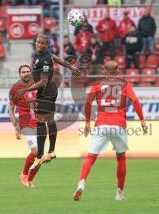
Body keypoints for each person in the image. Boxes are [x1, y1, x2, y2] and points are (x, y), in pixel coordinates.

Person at [73, 61, 147, 201]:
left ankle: (81, 183)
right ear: (118, 70)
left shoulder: (96, 84)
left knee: (90, 157)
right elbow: (135, 100)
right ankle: (119, 193)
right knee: (121, 158)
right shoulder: (125, 84)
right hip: (119, 125)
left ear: (103, 70)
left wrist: (88, 123)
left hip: (101, 124)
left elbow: (88, 103)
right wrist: (142, 121)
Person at [16, 34, 80, 169]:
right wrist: (72, 67)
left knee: (40, 121)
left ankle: (39, 156)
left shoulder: (45, 59)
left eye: (42, 43)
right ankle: (51, 151)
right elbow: (59, 60)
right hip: (49, 91)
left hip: (46, 92)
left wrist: (26, 89)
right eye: (38, 43)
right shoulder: (45, 54)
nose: (39, 45)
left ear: (46, 45)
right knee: (49, 120)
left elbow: (43, 82)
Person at [9, 65, 39, 188]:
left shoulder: (38, 85)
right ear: (19, 74)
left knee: (40, 155)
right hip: (25, 122)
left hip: (38, 121)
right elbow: (11, 109)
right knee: (36, 151)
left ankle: (30, 180)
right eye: (23, 72)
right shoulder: (15, 89)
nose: (26, 73)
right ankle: (24, 174)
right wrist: (16, 127)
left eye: (28, 71)